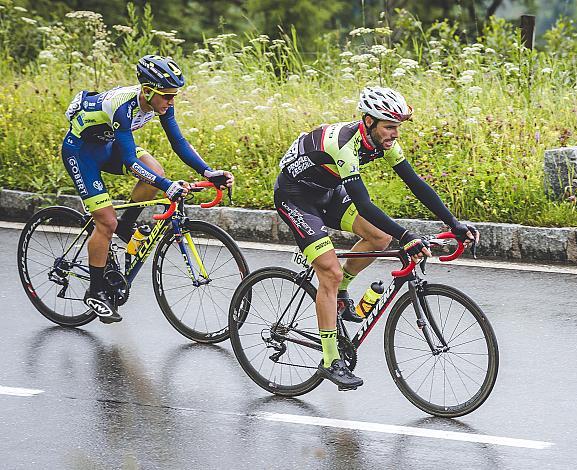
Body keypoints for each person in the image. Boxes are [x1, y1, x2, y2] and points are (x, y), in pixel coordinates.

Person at [274, 86, 478, 390]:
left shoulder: (383, 141)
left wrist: (453, 222)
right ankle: (330, 360)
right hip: (295, 196)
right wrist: (407, 236)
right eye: (389, 126)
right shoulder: (343, 144)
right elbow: (364, 203)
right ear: (368, 121)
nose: (395, 134)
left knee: (380, 238)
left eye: (398, 127)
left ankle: (341, 293)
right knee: (328, 272)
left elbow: (415, 183)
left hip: (326, 192)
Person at [61, 54, 233, 324]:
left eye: (174, 95)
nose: (171, 101)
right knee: (105, 222)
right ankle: (95, 292)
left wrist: (208, 171)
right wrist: (167, 187)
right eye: (167, 96)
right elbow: (129, 161)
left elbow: (178, 142)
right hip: (81, 152)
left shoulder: (160, 103)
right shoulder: (122, 106)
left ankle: (125, 226)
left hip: (106, 145)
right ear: (148, 90)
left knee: (156, 169)